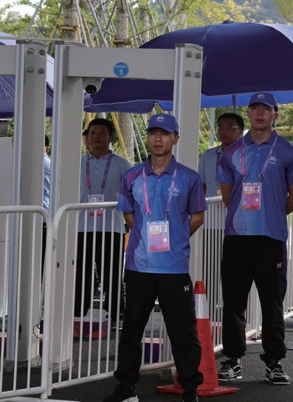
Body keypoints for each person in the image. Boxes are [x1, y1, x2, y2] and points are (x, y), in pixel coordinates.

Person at [104, 113, 206, 402]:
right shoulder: (132, 176)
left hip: (174, 268)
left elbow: (197, 216)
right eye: (152, 133)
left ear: (176, 138)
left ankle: (190, 388)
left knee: (182, 332)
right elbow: (128, 214)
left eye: (164, 133)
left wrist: (176, 238)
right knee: (131, 330)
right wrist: (145, 239)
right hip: (139, 266)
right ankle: (126, 387)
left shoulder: (189, 177)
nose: (157, 139)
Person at [215, 92, 293, 385]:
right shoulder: (231, 152)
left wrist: (272, 214)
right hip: (237, 237)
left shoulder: (288, 151)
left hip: (270, 238)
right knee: (233, 301)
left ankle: (274, 361)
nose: (259, 113)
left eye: (266, 109)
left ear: (275, 114)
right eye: (254, 108)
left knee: (272, 302)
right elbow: (228, 196)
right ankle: (233, 359)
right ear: (249, 113)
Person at [75, 118, 131, 320]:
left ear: (110, 138)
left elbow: (132, 193)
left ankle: (116, 313)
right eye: (92, 133)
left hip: (111, 227)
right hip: (82, 227)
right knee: (80, 273)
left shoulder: (122, 164)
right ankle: (77, 313)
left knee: (112, 273)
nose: (96, 137)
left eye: (101, 133)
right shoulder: (77, 163)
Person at [198, 113, 244, 197]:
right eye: (220, 128)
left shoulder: (247, 156)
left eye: (229, 128)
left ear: (240, 132)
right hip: (212, 204)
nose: (223, 131)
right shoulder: (207, 156)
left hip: (238, 204)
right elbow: (202, 186)